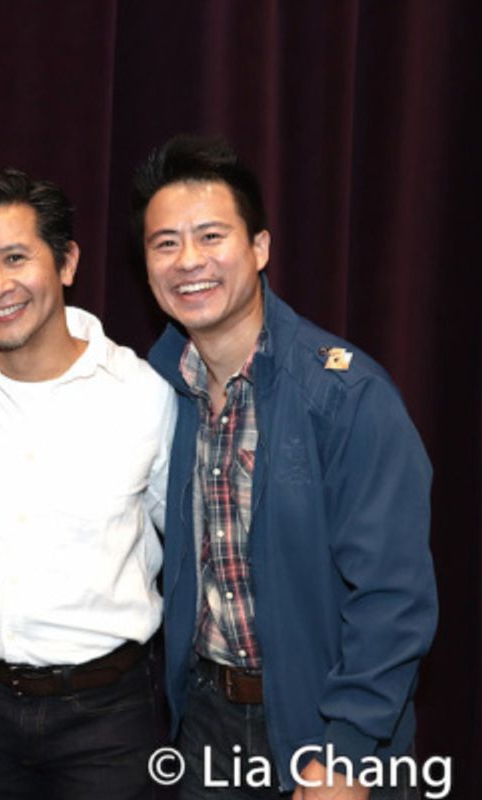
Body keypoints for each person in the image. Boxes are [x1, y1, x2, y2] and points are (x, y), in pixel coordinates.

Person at [134, 134, 437, 799]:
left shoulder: (345, 396)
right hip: (208, 722)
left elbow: (394, 594)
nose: (189, 262)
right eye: (165, 244)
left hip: (328, 724)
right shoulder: (155, 389)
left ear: (260, 248)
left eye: (211, 236)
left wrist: (349, 754)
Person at [0, 169, 175, 799]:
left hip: (108, 717)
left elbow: (189, 543)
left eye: (14, 258)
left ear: (66, 262)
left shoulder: (144, 397)